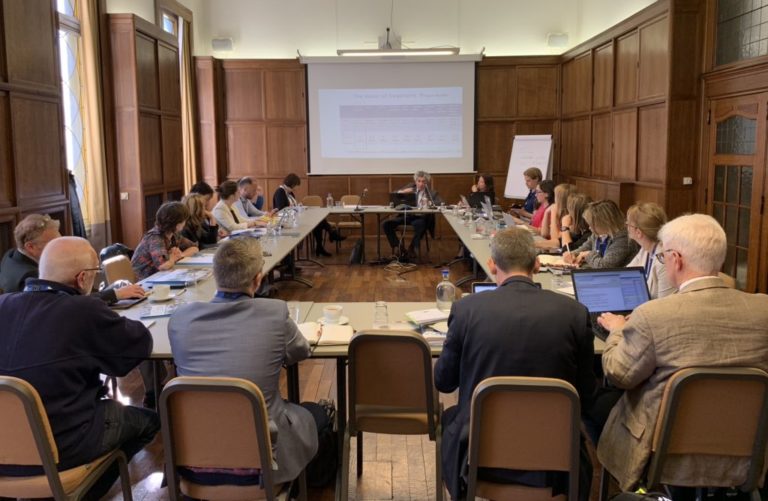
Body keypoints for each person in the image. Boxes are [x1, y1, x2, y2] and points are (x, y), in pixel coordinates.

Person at [596, 214, 768, 495]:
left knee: (599, 403)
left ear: (676, 259)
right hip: (747, 455)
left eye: (663, 257)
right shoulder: (764, 310)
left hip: (665, 457)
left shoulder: (653, 315)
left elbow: (619, 375)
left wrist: (617, 331)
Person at [434, 227, 597, 500]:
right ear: (537, 264)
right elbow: (586, 394)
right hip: (556, 464)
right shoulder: (575, 313)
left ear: (491, 265)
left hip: (479, 458)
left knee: (452, 417)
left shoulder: (466, 309)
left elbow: (444, 381)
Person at [0, 237, 159, 499]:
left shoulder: (4, 304)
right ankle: (79, 493)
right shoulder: (82, 310)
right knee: (149, 422)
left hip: (5, 448)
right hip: (62, 447)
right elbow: (138, 347)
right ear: (83, 278)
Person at [168, 237, 318, 485]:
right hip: (263, 462)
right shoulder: (275, 313)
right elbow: (300, 351)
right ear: (258, 279)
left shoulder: (180, 319)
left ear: (214, 275)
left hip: (194, 459)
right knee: (315, 414)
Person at [0, 214, 145, 302]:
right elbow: (68, 303)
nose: (60, 246)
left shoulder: (11, 256)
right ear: (30, 247)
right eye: (54, 243)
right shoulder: (29, 278)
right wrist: (115, 294)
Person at [272, 173, 344, 257]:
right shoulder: (280, 192)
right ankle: (331, 234)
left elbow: (293, 206)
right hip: (286, 223)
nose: (297, 188)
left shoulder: (290, 193)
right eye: (296, 185)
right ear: (292, 184)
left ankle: (321, 246)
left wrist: (298, 206)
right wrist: (295, 208)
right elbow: (282, 209)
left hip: (294, 219)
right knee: (317, 221)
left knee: (318, 221)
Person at [131, 201, 199, 280]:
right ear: (177, 224)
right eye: (184, 220)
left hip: (161, 277)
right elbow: (163, 266)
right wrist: (172, 258)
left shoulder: (173, 234)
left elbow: (194, 248)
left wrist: (181, 255)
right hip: (144, 280)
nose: (185, 222)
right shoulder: (155, 238)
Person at [383, 170, 442, 260]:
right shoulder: (410, 187)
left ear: (427, 183)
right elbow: (394, 194)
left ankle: (412, 248)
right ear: (415, 181)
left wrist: (429, 202)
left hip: (421, 217)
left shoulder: (431, 193)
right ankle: (400, 248)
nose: (421, 184)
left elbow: (441, 203)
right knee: (386, 224)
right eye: (419, 181)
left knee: (421, 225)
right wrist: (402, 191)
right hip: (406, 216)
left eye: (423, 182)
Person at [563, 199, 637, 268]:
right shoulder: (598, 234)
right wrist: (572, 254)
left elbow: (604, 266)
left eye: (593, 225)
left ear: (605, 222)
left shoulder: (624, 239)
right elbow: (585, 248)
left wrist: (588, 255)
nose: (589, 228)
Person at [624, 202, 675, 298]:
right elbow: (626, 274)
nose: (626, 227)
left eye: (628, 224)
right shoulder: (645, 249)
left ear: (638, 232)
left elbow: (664, 303)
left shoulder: (664, 262)